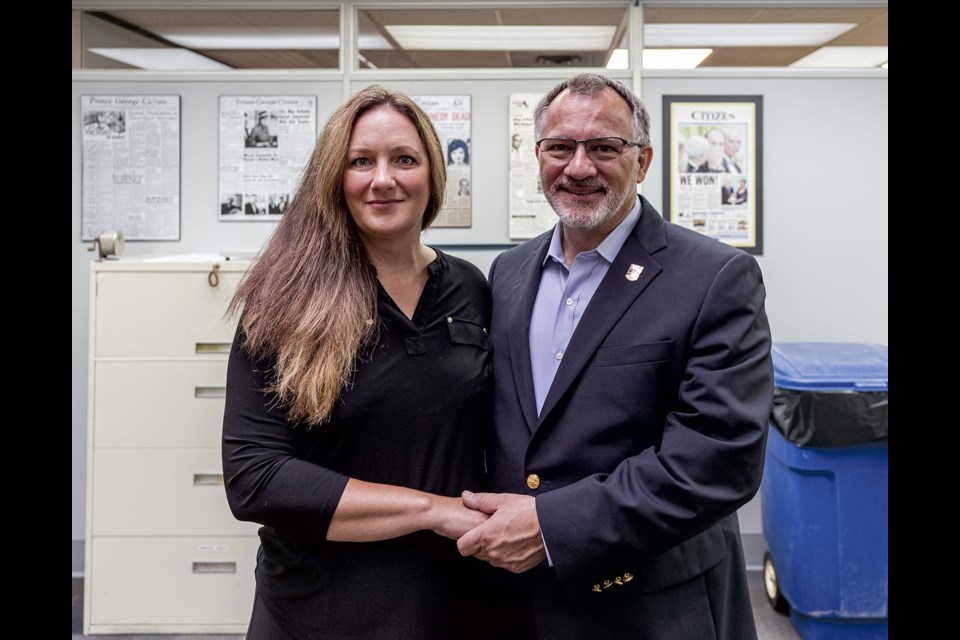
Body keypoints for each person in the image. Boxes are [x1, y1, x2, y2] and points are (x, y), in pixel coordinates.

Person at [456, 72, 774, 640]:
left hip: (649, 606)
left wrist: (550, 527)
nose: (579, 167)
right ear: (539, 156)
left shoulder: (714, 278)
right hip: (516, 601)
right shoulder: (509, 272)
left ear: (643, 160)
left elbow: (717, 460)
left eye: (604, 147)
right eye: (561, 147)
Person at [221, 85, 510, 640]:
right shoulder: (284, 301)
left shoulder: (471, 290)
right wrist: (432, 509)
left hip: (455, 600)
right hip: (321, 608)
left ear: (432, 175)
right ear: (336, 177)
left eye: (404, 159)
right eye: (361, 161)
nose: (383, 179)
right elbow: (256, 479)